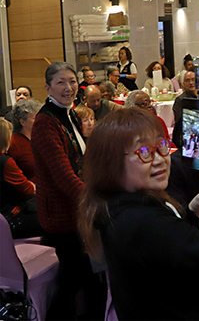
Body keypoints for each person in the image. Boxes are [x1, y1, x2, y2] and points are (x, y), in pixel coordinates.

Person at [78, 108, 199, 319]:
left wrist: (190, 213)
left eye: (161, 146)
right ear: (111, 164)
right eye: (144, 151)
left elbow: (169, 247)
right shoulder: (138, 220)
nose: (160, 159)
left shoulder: (123, 202)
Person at [34, 62, 107, 319]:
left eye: (72, 81)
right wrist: (92, 201)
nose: (69, 87)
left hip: (78, 207)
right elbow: (62, 173)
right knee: (73, 278)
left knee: (87, 276)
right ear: (48, 88)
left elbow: (81, 159)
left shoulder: (71, 114)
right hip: (61, 213)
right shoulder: (45, 122)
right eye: (61, 82)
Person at [1, 117, 41, 238]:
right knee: (52, 221)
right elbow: (28, 190)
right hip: (11, 217)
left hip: (4, 215)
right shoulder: (6, 163)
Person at [9, 100, 41, 182]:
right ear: (22, 122)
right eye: (34, 118)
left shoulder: (40, 138)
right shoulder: (13, 144)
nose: (39, 120)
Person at [170, 71, 197, 147]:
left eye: (193, 80)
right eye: (187, 80)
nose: (191, 83)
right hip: (183, 136)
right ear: (183, 84)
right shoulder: (180, 100)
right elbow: (180, 121)